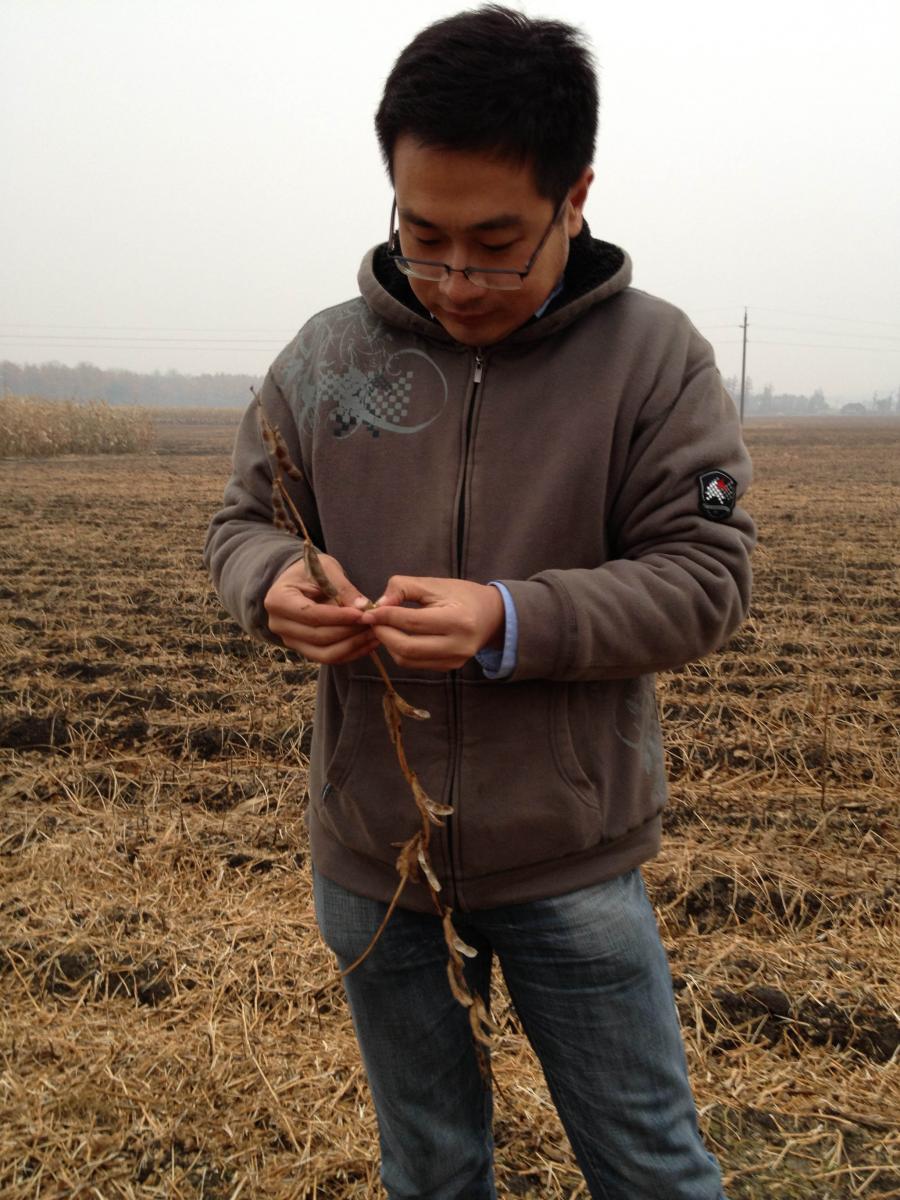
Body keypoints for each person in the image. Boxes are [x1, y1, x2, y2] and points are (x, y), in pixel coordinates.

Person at [205, 6, 755, 1197]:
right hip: (373, 860)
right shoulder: (324, 360)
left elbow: (707, 580)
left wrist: (508, 620)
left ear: (576, 197)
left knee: (653, 1169)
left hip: (571, 861)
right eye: (421, 234)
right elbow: (241, 524)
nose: (454, 278)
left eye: (497, 242)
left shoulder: (654, 362)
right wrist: (273, 585)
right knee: (432, 1171)